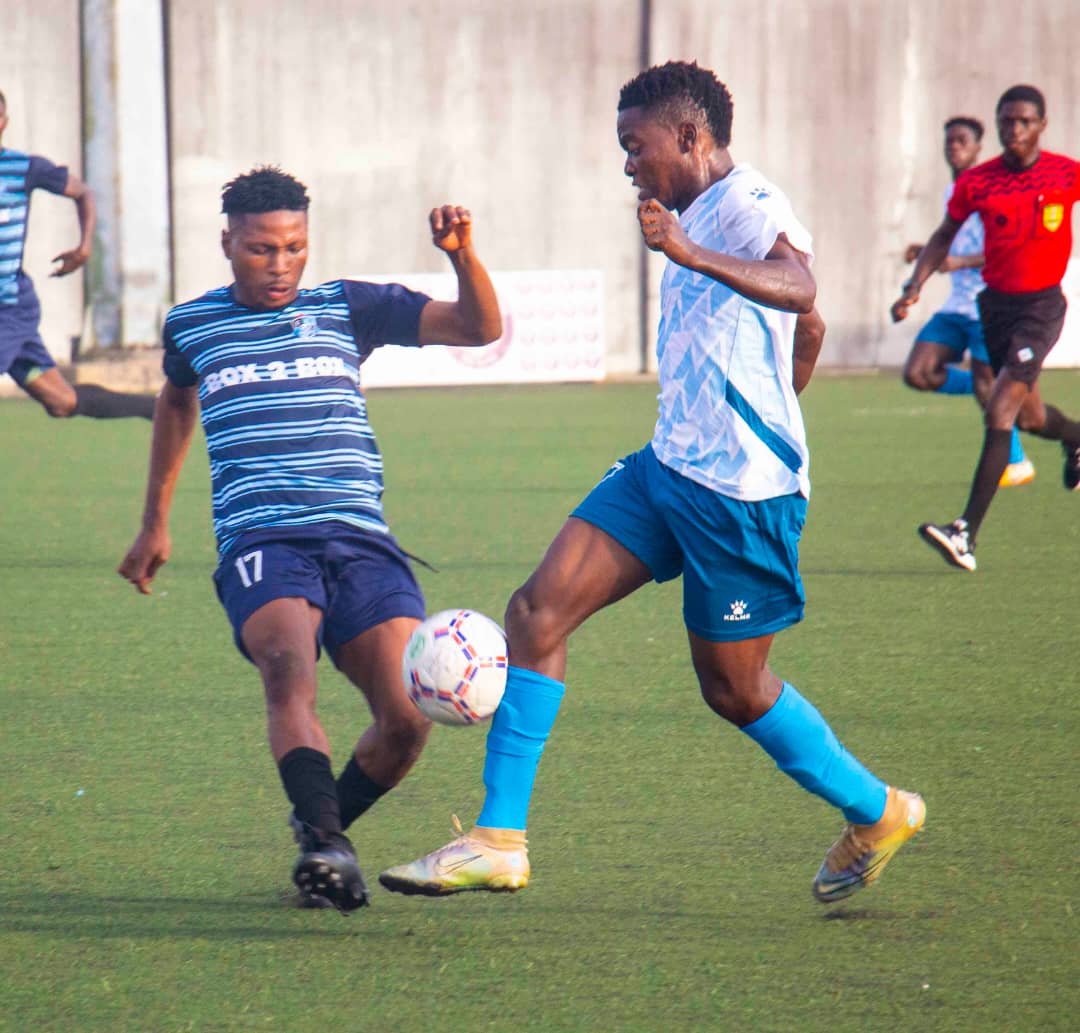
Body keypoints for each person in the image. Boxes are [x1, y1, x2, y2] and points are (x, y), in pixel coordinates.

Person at [379, 62, 925, 905]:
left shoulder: (744, 203)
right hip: (669, 465)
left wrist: (687, 253)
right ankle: (498, 838)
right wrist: (779, 383)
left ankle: (877, 809)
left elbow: (804, 289)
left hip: (741, 498)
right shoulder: (696, 216)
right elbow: (804, 330)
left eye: (635, 147)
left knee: (733, 688)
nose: (628, 164)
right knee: (536, 610)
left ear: (689, 137)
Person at [118, 166, 502, 912]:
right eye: (262, 249)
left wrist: (462, 255)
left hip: (360, 538)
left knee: (406, 719)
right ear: (227, 242)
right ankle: (329, 843)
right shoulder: (193, 325)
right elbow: (174, 401)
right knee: (288, 665)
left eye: (295, 247)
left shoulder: (348, 306)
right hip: (263, 537)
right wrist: (155, 519)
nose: (281, 264)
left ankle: (322, 831)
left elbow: (478, 328)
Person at [892, 85, 1080, 572]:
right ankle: (1076, 436)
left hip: (1039, 310)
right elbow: (942, 236)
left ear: (1042, 123)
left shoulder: (1065, 173)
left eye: (1023, 121)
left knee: (998, 407)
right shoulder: (978, 182)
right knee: (1030, 417)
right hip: (994, 309)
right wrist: (915, 285)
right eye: (1006, 121)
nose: (1014, 130)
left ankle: (965, 533)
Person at [0, 89, 154, 419]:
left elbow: (82, 191)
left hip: (8, 308)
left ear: (4, 123)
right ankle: (153, 407)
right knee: (61, 401)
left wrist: (84, 248)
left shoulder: (22, 168)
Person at [902, 116, 1034, 487]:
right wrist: (924, 255)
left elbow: (1008, 250)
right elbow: (947, 239)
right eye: (950, 141)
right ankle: (1004, 387)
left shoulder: (992, 192)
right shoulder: (954, 193)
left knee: (985, 384)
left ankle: (1017, 460)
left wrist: (959, 261)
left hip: (986, 302)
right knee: (918, 372)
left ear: (978, 148)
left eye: (962, 141)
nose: (954, 146)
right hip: (956, 304)